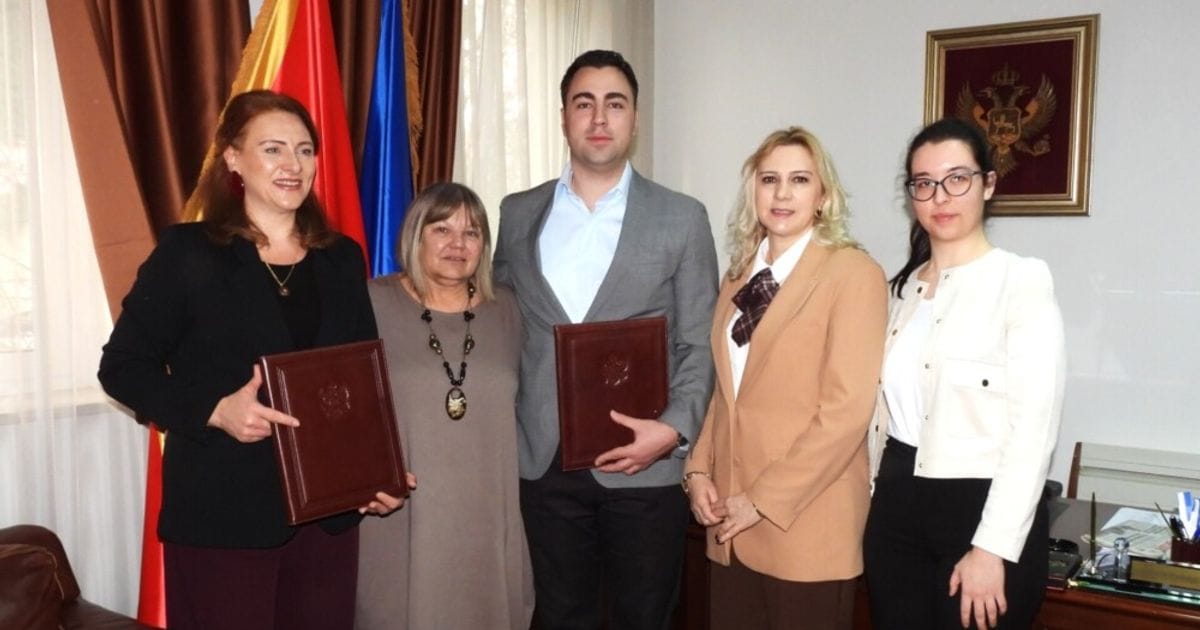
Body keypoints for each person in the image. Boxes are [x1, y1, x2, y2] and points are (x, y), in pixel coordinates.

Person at [97, 90, 402, 630]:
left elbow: (359, 384)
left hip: (328, 520)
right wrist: (215, 410)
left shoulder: (341, 258)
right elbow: (121, 367)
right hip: (223, 514)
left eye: (304, 150)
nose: (293, 165)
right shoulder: (189, 253)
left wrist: (377, 473)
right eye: (273, 149)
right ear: (233, 158)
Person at [493, 49, 718, 629]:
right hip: (542, 465)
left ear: (634, 118)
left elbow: (699, 343)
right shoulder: (517, 213)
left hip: (645, 465)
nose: (599, 118)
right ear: (563, 116)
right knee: (557, 618)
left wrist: (672, 431)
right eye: (584, 103)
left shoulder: (682, 217)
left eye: (614, 104)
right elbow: (499, 328)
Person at [863, 117, 1066, 629]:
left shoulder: (1020, 281)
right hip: (895, 508)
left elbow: (1033, 430)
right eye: (924, 183)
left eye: (957, 178)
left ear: (988, 184)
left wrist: (991, 548)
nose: (940, 197)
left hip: (982, 512)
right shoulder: (899, 293)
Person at [682, 127, 887, 629]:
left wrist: (760, 501)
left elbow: (845, 414)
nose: (782, 193)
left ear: (823, 196)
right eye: (769, 179)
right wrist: (698, 470)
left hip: (807, 525)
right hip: (730, 523)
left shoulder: (852, 273)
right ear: (753, 190)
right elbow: (726, 393)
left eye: (799, 180)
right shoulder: (738, 276)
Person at [356, 183, 534, 629]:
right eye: (442, 229)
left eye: (472, 232)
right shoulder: (369, 303)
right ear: (415, 235)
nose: (458, 243)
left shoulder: (509, 310)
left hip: (489, 518)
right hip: (401, 516)